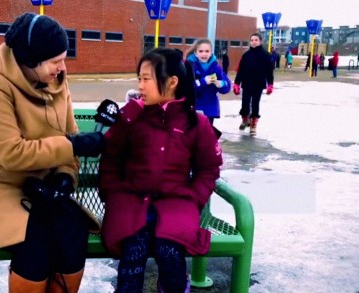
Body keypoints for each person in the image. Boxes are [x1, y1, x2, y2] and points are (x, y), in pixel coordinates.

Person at [0, 13, 104, 292]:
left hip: (41, 188)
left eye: (63, 58)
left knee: (72, 231)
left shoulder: (56, 78)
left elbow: (68, 140)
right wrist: (75, 145)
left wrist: (64, 180)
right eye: (55, 61)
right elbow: (11, 153)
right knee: (36, 241)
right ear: (30, 59)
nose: (62, 67)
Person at [99, 47, 223, 293]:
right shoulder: (132, 118)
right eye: (139, 79)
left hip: (176, 203)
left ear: (172, 82)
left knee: (169, 248)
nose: (141, 86)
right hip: (130, 201)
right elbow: (110, 158)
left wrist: (195, 197)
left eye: (147, 79)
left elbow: (208, 169)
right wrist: (112, 194)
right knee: (133, 249)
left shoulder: (194, 123)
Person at [233, 32, 274, 136]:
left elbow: (269, 71)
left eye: (256, 40)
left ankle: (253, 124)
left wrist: (270, 84)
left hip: (258, 83)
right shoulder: (246, 55)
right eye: (252, 40)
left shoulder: (265, 55)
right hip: (247, 83)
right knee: (245, 103)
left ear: (260, 41)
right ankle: (245, 119)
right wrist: (237, 83)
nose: (253, 42)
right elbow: (241, 70)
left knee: (255, 103)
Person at [185, 38, 231, 126]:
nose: (204, 54)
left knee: (207, 134)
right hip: (195, 106)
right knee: (194, 133)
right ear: (196, 52)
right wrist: (203, 81)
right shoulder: (190, 66)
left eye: (207, 51)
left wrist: (220, 84)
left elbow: (227, 85)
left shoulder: (216, 67)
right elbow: (187, 87)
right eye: (201, 51)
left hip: (210, 107)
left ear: (211, 52)